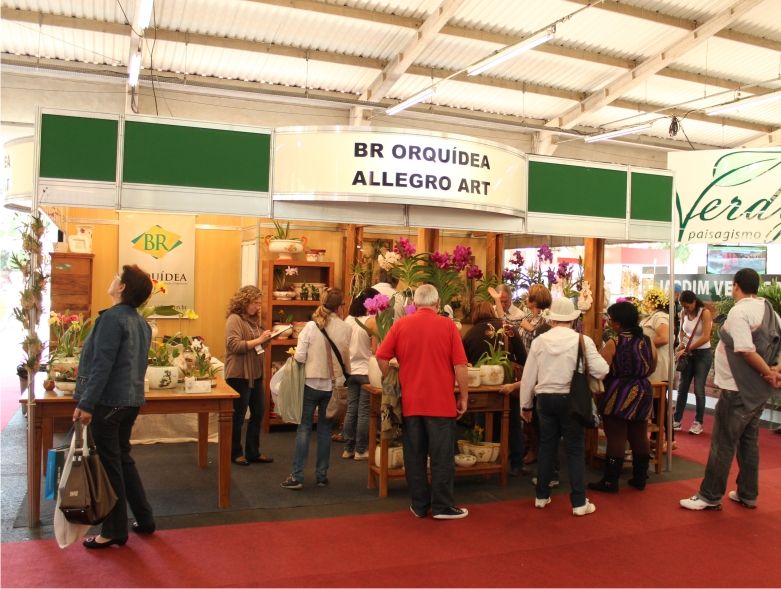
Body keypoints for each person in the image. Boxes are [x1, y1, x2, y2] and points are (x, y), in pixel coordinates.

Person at [680, 269, 781, 511]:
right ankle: (748, 493)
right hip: (757, 391)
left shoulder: (740, 312)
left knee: (723, 443)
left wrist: (769, 372)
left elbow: (745, 350)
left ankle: (709, 495)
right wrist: (775, 371)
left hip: (737, 388)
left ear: (735, 285)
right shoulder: (771, 311)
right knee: (748, 442)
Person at [72, 265, 156, 549]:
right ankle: (144, 519)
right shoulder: (141, 323)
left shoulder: (111, 319)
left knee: (110, 466)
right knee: (122, 459)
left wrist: (86, 403)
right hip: (130, 401)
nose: (113, 279)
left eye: (117, 277)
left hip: (109, 403)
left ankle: (114, 531)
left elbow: (102, 365)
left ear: (122, 288)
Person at [376, 284, 471, 519]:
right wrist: (464, 395)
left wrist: (392, 379)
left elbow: (381, 356)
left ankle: (419, 505)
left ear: (415, 304)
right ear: (438, 304)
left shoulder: (401, 325)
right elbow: (460, 365)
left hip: (411, 402)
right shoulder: (448, 326)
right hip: (441, 403)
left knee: (414, 456)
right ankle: (442, 506)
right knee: (441, 457)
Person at [519, 297, 608, 516]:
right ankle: (578, 502)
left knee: (546, 446)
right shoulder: (582, 341)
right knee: (575, 449)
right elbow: (602, 370)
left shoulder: (540, 341)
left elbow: (529, 376)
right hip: (572, 399)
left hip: (545, 399)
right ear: (573, 319)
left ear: (552, 319)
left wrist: (525, 406)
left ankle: (541, 496)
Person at [281, 288, 352, 489]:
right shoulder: (346, 328)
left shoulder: (311, 327)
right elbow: (346, 360)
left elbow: (300, 357)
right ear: (340, 307)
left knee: (304, 428)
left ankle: (297, 476)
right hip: (332, 386)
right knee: (325, 430)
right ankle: (321, 476)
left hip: (310, 383)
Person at [588, 301, 656, 493]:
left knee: (616, 436)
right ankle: (640, 477)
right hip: (643, 390)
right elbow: (652, 366)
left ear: (618, 323)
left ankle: (610, 481)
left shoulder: (614, 342)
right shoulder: (647, 341)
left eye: (610, 319)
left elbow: (601, 369)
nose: (609, 323)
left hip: (618, 392)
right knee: (639, 435)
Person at [463, 301, 527, 477]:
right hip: (507, 385)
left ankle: (484, 464)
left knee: (482, 424)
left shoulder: (470, 334)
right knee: (513, 424)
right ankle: (516, 464)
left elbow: (464, 363)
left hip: (481, 388)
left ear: (475, 315)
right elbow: (523, 358)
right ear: (492, 312)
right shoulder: (508, 328)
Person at [225, 286, 274, 466]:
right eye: (254, 303)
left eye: (259, 303)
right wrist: (259, 340)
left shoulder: (254, 321)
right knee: (238, 416)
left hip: (255, 373)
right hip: (239, 374)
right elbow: (234, 345)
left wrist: (265, 340)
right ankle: (235, 452)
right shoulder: (234, 319)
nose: (257, 306)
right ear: (244, 301)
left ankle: (253, 452)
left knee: (258, 412)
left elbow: (256, 347)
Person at [341, 287, 379, 461]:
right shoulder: (371, 322)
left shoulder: (348, 320)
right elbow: (376, 350)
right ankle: (361, 450)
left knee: (351, 410)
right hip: (365, 371)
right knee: (364, 411)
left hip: (350, 371)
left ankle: (348, 448)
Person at [673, 290, 714, 435]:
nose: (685, 308)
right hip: (687, 354)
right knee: (682, 387)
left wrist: (686, 349)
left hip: (703, 354)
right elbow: (683, 332)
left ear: (694, 302)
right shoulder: (683, 313)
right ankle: (676, 420)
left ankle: (698, 422)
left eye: (687, 306)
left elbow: (706, 337)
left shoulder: (705, 313)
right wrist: (681, 344)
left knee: (698, 388)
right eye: (683, 306)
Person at [639, 287, 672, 451]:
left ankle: (665, 439)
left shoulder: (660, 317)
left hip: (658, 365)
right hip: (652, 363)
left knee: (659, 403)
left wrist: (641, 345)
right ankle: (656, 438)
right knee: (656, 402)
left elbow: (664, 337)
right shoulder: (651, 317)